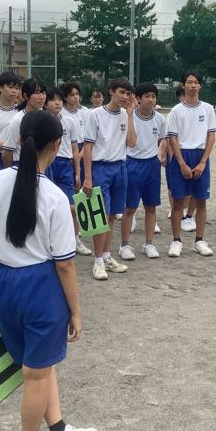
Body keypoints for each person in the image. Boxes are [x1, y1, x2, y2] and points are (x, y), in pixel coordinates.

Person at [0, 110, 97, 431]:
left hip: (0, 279)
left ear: (18, 140)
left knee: (39, 365)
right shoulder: (54, 197)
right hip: (39, 285)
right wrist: (76, 311)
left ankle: (59, 429)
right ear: (57, 145)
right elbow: (64, 264)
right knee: (35, 372)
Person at [82, 78, 137, 280]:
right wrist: (88, 177)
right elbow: (88, 147)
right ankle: (97, 261)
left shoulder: (125, 114)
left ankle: (106, 256)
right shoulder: (95, 114)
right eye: (121, 92)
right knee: (101, 217)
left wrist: (130, 115)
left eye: (128, 93)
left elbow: (132, 142)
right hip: (100, 168)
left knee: (113, 215)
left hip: (120, 167)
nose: (125, 97)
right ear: (112, 92)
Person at [166, 71, 216, 258]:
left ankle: (199, 240)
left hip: (200, 155)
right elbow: (172, 138)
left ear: (200, 86)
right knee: (178, 201)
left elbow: (211, 136)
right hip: (181, 156)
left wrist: (203, 161)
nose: (192, 85)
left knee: (201, 200)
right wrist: (181, 163)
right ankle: (176, 241)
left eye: (196, 82)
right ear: (183, 85)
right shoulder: (176, 111)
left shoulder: (208, 109)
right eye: (189, 82)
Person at [119, 82, 167, 259]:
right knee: (129, 208)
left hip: (152, 165)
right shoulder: (128, 116)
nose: (151, 100)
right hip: (132, 163)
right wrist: (130, 114)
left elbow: (160, 141)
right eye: (147, 96)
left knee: (151, 207)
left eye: (153, 96)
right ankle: (124, 245)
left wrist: (154, 155)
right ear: (138, 98)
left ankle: (149, 244)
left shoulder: (160, 119)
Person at [44, 87, 91, 256]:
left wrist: (77, 172)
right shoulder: (41, 121)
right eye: (53, 100)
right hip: (47, 163)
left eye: (59, 100)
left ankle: (75, 239)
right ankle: (48, 242)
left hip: (65, 165)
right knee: (46, 205)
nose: (57, 103)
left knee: (72, 206)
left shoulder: (69, 122)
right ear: (45, 103)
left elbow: (74, 148)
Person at [164, 84, 198, 232]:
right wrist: (173, 159)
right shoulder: (175, 112)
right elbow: (169, 138)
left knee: (193, 188)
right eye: (183, 95)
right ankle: (177, 210)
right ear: (180, 97)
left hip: (194, 154)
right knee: (173, 187)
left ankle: (188, 215)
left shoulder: (201, 111)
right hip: (176, 156)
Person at [2, 78, 48, 170]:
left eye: (43, 93)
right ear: (26, 96)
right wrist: (13, 173)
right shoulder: (17, 120)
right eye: (37, 93)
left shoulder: (47, 118)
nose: (41, 97)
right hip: (23, 165)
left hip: (44, 165)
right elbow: (6, 154)